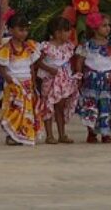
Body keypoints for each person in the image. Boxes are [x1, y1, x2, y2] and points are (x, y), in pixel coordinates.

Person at [75, 12, 111, 143]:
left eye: (109, 25)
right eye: (104, 25)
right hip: (91, 81)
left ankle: (106, 132)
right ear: (94, 28)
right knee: (91, 108)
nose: (108, 28)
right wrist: (78, 76)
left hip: (108, 81)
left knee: (107, 107)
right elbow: (80, 61)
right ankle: (91, 133)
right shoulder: (87, 45)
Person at [0, 12, 40, 146]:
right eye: (20, 30)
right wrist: (9, 80)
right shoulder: (6, 48)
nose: (24, 33)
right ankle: (11, 135)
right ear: (10, 30)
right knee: (14, 110)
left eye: (26, 30)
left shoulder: (29, 47)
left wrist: (33, 81)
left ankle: (22, 134)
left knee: (26, 111)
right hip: (13, 83)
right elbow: (2, 67)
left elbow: (31, 65)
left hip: (26, 83)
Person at [36, 16, 79, 144]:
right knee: (48, 106)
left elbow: (69, 63)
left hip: (64, 81)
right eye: (66, 31)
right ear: (57, 32)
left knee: (60, 107)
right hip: (49, 80)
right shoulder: (46, 47)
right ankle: (49, 135)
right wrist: (49, 69)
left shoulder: (68, 47)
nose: (69, 33)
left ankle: (62, 134)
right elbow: (37, 62)